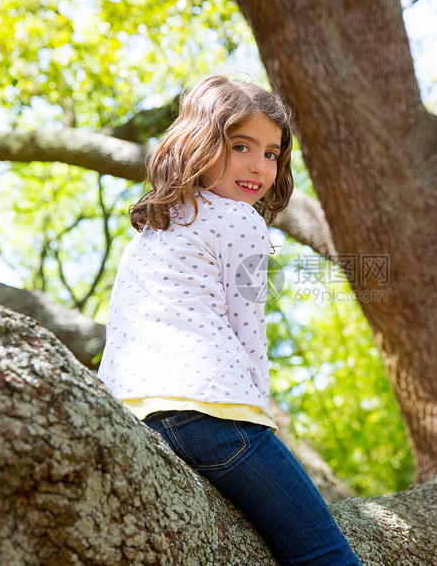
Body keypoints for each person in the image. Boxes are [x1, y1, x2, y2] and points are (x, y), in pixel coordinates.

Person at [97, 74, 362, 566]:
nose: (258, 166)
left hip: (136, 414)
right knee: (325, 554)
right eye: (241, 145)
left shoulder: (157, 227)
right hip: (213, 413)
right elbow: (248, 329)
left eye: (271, 154)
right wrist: (259, 414)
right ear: (200, 142)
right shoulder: (242, 220)